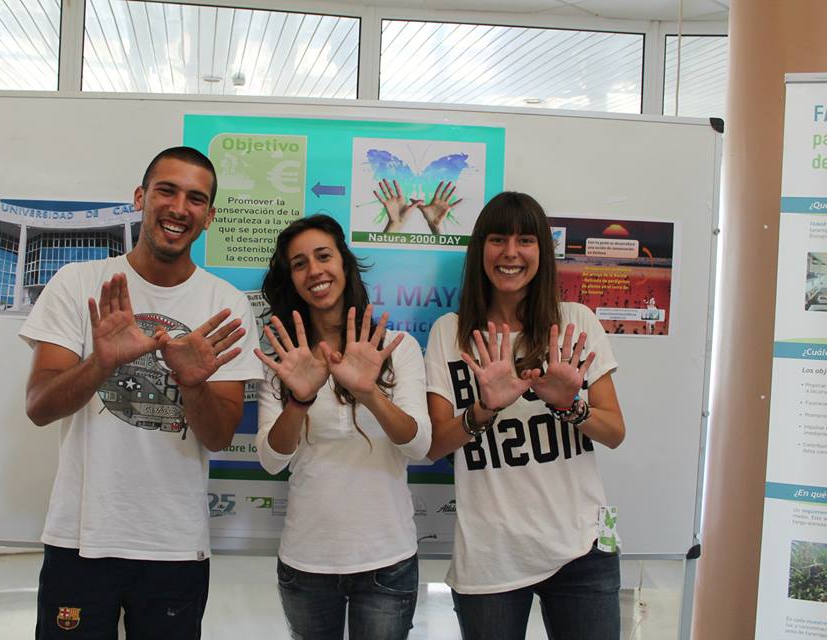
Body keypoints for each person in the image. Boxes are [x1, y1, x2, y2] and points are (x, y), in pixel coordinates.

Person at [19, 146, 262, 639]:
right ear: (140, 197)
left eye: (196, 198)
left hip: (173, 546)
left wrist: (193, 384)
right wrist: (101, 362)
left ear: (210, 217)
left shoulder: (226, 305)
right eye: (166, 190)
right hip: (81, 540)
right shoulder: (79, 284)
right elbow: (39, 407)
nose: (179, 208)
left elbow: (217, 436)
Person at [423, 191, 626, 640]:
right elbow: (434, 444)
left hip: (584, 546)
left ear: (542, 252)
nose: (510, 253)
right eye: (498, 239)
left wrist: (567, 405)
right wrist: (484, 408)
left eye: (525, 241)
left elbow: (614, 431)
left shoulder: (575, 321)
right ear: (480, 250)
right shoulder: (449, 333)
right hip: (491, 552)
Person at [254, 214, 431, 640]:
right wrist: (300, 398)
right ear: (291, 279)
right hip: (307, 562)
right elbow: (271, 460)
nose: (314, 270)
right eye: (299, 264)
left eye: (323, 256)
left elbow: (420, 445)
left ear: (345, 263)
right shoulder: (285, 358)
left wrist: (370, 392)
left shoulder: (396, 347)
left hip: (387, 560)